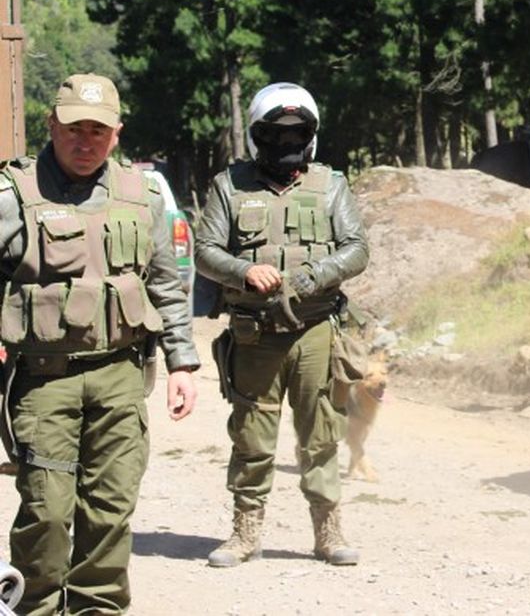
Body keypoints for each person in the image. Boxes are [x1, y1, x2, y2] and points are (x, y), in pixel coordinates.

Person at [0, 73, 199, 615]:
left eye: (98, 130)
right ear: (51, 125)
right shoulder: (15, 195)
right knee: (46, 511)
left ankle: (97, 609)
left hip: (120, 373)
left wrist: (182, 361)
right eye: (73, 129)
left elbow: (165, 283)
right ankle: (34, 607)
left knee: (110, 511)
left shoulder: (143, 195)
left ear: (116, 134)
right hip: (44, 379)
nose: (84, 141)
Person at [195, 82, 368, 568]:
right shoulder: (229, 187)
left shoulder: (331, 185)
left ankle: (328, 529)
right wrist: (243, 271)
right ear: (258, 135)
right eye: (277, 134)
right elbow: (205, 252)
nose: (287, 145)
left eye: (297, 135)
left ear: (311, 137)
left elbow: (357, 247)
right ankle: (245, 531)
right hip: (254, 333)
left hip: (315, 331)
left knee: (322, 434)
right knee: (251, 434)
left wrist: (317, 274)